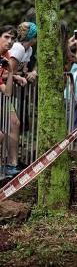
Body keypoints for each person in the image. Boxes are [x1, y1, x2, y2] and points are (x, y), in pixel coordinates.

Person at [0, 25, 21, 177]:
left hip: (1, 98)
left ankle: (12, 164)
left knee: (14, 122)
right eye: (6, 37)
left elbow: (7, 92)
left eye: (13, 38)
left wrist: (12, 72)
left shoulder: (6, 56)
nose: (10, 41)